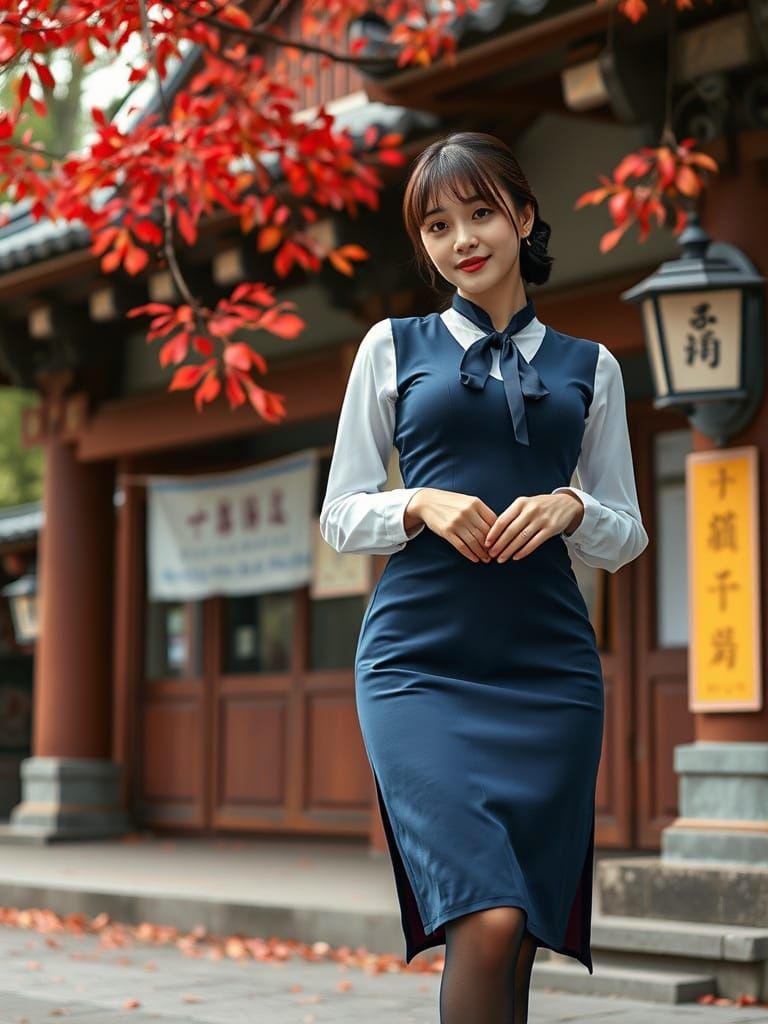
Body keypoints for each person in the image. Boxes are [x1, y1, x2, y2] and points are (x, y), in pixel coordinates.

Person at [319, 131, 648, 1024]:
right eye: (436, 225)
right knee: (489, 914)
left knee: (521, 929)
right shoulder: (392, 346)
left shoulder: (593, 368)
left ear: (524, 216)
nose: (461, 238)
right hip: (418, 665)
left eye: (479, 213)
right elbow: (340, 511)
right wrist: (417, 502)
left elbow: (628, 532)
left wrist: (575, 510)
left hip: (549, 674)